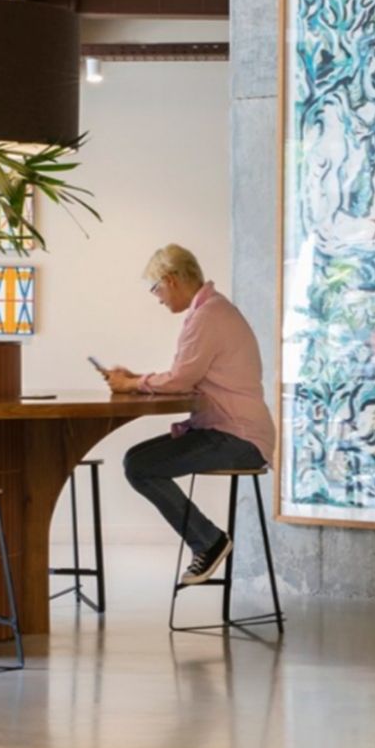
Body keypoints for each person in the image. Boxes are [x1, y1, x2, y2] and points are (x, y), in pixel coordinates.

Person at [105, 245, 276, 586]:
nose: (157, 299)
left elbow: (181, 378)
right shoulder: (213, 310)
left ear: (169, 280)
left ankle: (208, 541)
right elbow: (187, 375)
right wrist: (137, 381)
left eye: (155, 289)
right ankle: (207, 539)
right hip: (235, 432)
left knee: (139, 466)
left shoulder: (208, 316)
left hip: (237, 438)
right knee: (136, 460)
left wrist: (134, 383)